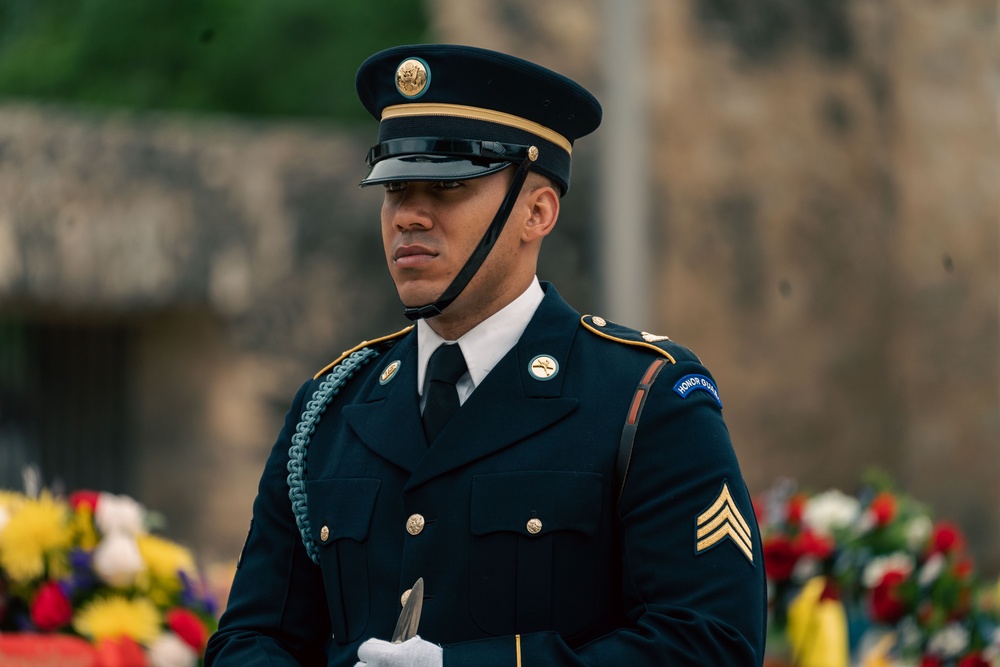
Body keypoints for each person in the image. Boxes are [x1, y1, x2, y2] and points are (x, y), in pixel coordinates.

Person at [206, 44, 767, 666]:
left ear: (537, 211)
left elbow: (711, 644)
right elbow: (252, 639)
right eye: (394, 189)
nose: (408, 217)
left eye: (445, 186)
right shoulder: (331, 408)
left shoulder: (644, 397)